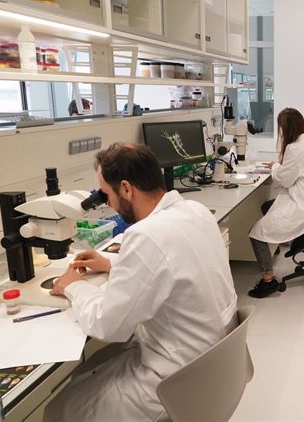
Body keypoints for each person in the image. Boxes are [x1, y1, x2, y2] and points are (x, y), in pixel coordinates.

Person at [44, 143, 237, 422]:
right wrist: (111, 263)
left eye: (106, 194)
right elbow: (172, 264)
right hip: (213, 364)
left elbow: (107, 325)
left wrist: (73, 285)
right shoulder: (195, 210)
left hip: (175, 381)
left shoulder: (147, 235)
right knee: (88, 378)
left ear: (125, 188)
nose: (107, 203)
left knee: (60, 409)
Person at [247, 108, 304, 298]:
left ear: (286, 128)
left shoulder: (294, 148)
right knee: (267, 207)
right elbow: (298, 170)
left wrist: (275, 167)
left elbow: (285, 180)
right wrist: (280, 166)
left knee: (256, 233)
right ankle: (299, 238)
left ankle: (268, 281)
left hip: (302, 206)